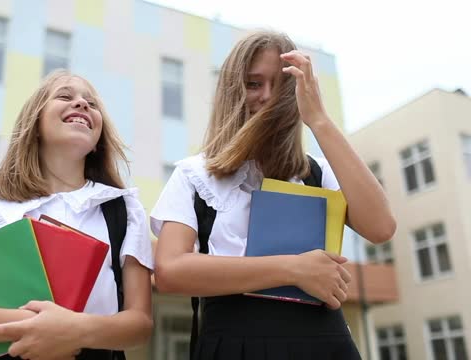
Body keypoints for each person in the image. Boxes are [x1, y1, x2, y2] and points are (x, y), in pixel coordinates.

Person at [151, 30, 396, 359]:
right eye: (253, 83)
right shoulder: (195, 174)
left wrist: (319, 119)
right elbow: (169, 271)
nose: (267, 97)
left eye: (282, 87)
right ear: (232, 91)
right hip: (232, 344)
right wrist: (293, 269)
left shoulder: (316, 172)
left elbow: (381, 228)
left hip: (323, 342)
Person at [0, 70, 154, 360]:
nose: (82, 104)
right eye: (65, 96)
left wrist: (73, 329)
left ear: (98, 138)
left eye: (92, 103)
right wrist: (35, 327)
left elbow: (139, 324)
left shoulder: (124, 210)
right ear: (36, 124)